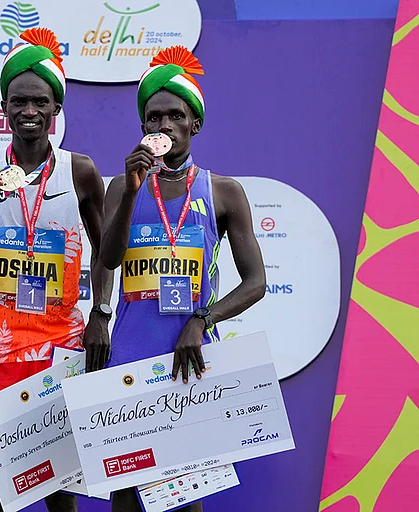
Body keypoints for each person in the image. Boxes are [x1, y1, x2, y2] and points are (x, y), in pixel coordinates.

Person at [100, 46, 267, 512]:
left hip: (190, 356)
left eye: (176, 116)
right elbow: (109, 259)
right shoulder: (122, 184)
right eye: (154, 118)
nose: (164, 126)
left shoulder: (223, 191)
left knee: (185, 498)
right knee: (127, 495)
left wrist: (201, 319)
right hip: (130, 357)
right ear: (143, 128)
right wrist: (132, 192)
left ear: (195, 124)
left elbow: (256, 283)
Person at [0, 27, 112, 512]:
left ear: (55, 109)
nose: (28, 112)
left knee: (60, 478)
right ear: (3, 107)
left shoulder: (79, 170)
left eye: (39, 102)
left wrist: (101, 315)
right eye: (18, 102)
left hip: (60, 336)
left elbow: (107, 253)